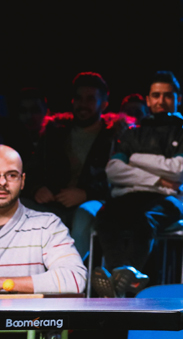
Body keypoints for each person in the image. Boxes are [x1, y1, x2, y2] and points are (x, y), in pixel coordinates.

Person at [91, 71, 183, 298]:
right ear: (148, 100)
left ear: (178, 99)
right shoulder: (133, 134)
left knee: (143, 219)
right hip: (134, 196)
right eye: (156, 95)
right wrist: (158, 180)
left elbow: (178, 170)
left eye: (168, 95)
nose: (161, 101)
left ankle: (118, 280)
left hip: (170, 200)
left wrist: (135, 159)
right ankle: (125, 276)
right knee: (104, 216)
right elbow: (113, 170)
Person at [23, 72, 128, 261]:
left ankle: (68, 274)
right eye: (78, 98)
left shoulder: (115, 137)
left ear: (104, 104)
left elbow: (120, 179)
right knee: (13, 207)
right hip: (54, 202)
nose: (83, 104)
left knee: (83, 216)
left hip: (95, 201)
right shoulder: (55, 132)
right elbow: (31, 171)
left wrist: (86, 193)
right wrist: (37, 188)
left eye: (90, 99)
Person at [0, 145, 87, 294]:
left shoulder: (47, 226)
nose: (2, 182)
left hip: (25, 311)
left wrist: (5, 283)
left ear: (23, 181)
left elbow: (74, 279)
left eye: (12, 175)